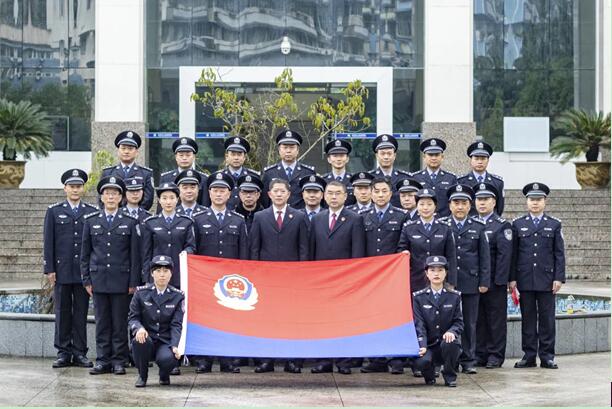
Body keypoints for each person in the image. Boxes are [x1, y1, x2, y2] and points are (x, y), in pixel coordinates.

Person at [81, 176, 141, 375]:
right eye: (107, 193)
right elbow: (85, 254)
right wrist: (87, 280)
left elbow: (134, 255)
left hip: (121, 280)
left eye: (115, 193)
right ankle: (102, 359)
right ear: (102, 196)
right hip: (98, 280)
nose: (111, 197)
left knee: (119, 322)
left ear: (121, 198)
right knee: (102, 322)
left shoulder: (130, 222)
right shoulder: (91, 221)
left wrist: (133, 281)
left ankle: (118, 360)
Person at [249, 178, 310, 373]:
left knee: (292, 319)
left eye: (282, 191)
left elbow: (303, 249)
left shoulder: (299, 217)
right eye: (275, 191)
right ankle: (266, 360)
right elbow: (254, 249)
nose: (278, 194)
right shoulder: (260, 217)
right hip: (266, 278)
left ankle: (292, 360)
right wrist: (256, 274)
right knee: (267, 319)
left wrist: (302, 274)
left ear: (288, 194)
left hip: (292, 279)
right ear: (269, 194)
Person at [191, 172, 248, 374]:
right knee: (205, 320)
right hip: (205, 280)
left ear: (229, 194)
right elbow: (193, 249)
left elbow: (244, 254)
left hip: (231, 281)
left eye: (222, 190)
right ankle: (204, 360)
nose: (218, 194)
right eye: (215, 190)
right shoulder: (198, 219)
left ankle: (228, 359)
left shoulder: (238, 220)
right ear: (209, 193)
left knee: (230, 320)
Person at [309, 181, 365, 375]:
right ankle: (323, 360)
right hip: (321, 280)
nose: (334, 197)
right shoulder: (317, 219)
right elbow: (311, 250)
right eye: (330, 193)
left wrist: (354, 278)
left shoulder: (355, 219)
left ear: (345, 196)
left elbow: (358, 252)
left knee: (344, 321)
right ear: (324, 196)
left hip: (345, 280)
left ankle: (343, 361)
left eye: (338, 193)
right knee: (322, 320)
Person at [43, 169, 97, 369]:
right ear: (65, 188)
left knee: (81, 312)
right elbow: (48, 242)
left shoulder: (90, 212)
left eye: (79, 186)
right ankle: (63, 352)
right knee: (62, 311)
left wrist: (91, 271)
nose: (75, 189)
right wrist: (50, 269)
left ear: (83, 188)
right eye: (72, 186)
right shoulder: (54, 211)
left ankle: (80, 352)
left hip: (83, 273)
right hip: (62, 270)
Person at [510, 182, 565, 370]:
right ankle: (529, 355)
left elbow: (559, 253)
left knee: (547, 319)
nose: (535, 203)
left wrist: (559, 278)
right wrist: (513, 278)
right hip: (525, 278)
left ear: (545, 202)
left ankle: (547, 356)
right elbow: (514, 254)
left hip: (547, 280)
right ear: (526, 202)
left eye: (538, 200)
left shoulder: (554, 224)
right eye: (532, 200)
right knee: (528, 318)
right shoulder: (518, 224)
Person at [439, 184, 490, 375]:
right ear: (450, 205)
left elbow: (484, 257)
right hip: (448, 283)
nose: (459, 207)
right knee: (445, 323)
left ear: (470, 206)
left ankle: (468, 360)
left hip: (470, 282)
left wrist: (484, 281)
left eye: (463, 203)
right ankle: (446, 360)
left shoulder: (478, 227)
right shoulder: (443, 225)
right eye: (456, 203)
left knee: (469, 323)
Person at [359, 176, 407, 374]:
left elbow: (402, 245)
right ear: (370, 193)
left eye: (384, 191)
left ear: (390, 194)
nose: (380, 195)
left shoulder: (401, 216)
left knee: (393, 317)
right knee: (372, 317)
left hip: (392, 277)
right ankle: (376, 358)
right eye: (376, 191)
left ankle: (395, 359)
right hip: (369, 277)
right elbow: (360, 247)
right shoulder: (363, 216)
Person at [473, 183, 512, 368]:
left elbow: (505, 257)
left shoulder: (501, 225)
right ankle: (480, 354)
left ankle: (496, 355)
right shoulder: (473, 223)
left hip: (495, 282)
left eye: (486, 200)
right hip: (477, 280)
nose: (482, 203)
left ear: (494, 202)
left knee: (495, 320)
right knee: (479, 319)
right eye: (479, 200)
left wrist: (499, 282)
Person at [129, 255, 184, 387]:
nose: (162, 275)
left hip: (165, 341)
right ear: (152, 273)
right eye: (158, 271)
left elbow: (176, 324)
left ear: (171, 274)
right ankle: (142, 375)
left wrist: (176, 345)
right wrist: (139, 328)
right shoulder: (141, 293)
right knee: (139, 340)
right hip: (147, 339)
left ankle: (164, 374)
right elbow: (133, 318)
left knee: (169, 359)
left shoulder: (178, 296)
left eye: (166, 271)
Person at [412, 256, 464, 387]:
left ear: (446, 273)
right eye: (432, 270)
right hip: (428, 345)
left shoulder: (454, 297)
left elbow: (459, 322)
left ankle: (450, 376)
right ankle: (429, 376)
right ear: (426, 273)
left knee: (451, 343)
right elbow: (419, 324)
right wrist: (422, 345)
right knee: (421, 362)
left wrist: (452, 331)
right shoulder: (418, 297)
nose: (436, 273)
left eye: (440, 270)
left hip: (445, 345)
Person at [397, 188, 457, 293]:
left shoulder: (445, 228)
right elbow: (401, 252)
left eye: (429, 204)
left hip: (440, 281)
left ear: (435, 206)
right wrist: (403, 253)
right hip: (415, 280)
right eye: (422, 204)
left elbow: (451, 257)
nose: (425, 208)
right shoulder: (408, 228)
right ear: (417, 206)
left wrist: (451, 282)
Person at [142, 183, 195, 289]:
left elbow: (191, 246)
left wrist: (186, 252)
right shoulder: (150, 223)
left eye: (172, 198)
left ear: (177, 199)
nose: (168, 202)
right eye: (164, 198)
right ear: (159, 200)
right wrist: (147, 278)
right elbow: (146, 253)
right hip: (157, 275)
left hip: (179, 273)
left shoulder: (186, 222)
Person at [261, 130, 316, 209]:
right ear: (279, 150)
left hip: (300, 217)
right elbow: (264, 200)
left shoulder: (308, 172)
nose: (288, 151)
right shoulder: (269, 173)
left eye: (292, 147)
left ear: (297, 151)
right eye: (285, 147)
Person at [101, 131, 154, 210]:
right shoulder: (108, 172)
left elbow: (148, 199)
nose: (126, 151)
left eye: (130, 149)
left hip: (137, 218)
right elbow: (101, 198)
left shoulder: (146, 173)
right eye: (123, 148)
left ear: (136, 152)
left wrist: (133, 213)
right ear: (118, 151)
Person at [411, 138, 457, 217]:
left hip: (445, 221)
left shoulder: (451, 178)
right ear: (424, 157)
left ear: (442, 157)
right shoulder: (415, 178)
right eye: (430, 155)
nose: (434, 158)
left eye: (436, 155)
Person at [457, 141, 505, 216]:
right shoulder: (461, 181)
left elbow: (499, 207)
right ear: (471, 160)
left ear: (488, 160)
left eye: (483, 159)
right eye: (476, 158)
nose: (480, 162)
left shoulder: (497, 182)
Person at [159, 137, 210, 207]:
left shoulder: (203, 179)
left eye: (188, 155)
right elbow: (161, 205)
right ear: (176, 157)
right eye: (181, 155)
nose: (184, 158)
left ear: (194, 157)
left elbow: (205, 204)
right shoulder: (166, 178)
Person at [369, 134, 410, 207]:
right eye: (382, 154)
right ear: (376, 156)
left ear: (394, 156)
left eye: (389, 153)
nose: (386, 157)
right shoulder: (370, 178)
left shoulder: (405, 177)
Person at [220, 136, 260, 210]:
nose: (236, 158)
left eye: (239, 154)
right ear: (227, 156)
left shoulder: (254, 176)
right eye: (233, 154)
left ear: (244, 157)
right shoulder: (220, 177)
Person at [321, 139, 354, 205]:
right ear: (329, 159)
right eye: (335, 156)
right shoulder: (323, 181)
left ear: (347, 158)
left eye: (342, 155)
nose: (338, 159)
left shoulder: (353, 180)